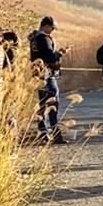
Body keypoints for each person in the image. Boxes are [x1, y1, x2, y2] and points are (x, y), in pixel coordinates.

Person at [28, 15, 70, 145]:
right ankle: (55, 133)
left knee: (42, 104)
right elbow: (49, 57)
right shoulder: (43, 38)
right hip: (46, 74)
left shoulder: (34, 38)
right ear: (46, 26)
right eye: (52, 28)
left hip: (37, 74)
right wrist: (61, 53)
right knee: (53, 102)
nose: (52, 31)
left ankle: (43, 133)